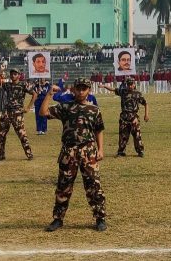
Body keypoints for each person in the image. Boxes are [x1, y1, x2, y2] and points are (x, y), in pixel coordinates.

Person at [41, 78, 107, 232]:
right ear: (73, 89)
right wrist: (49, 94)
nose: (81, 91)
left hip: (88, 151)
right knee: (63, 186)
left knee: (94, 185)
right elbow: (43, 112)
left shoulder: (94, 110)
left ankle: (100, 218)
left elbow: (99, 130)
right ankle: (58, 219)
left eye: (84, 88)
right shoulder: (65, 107)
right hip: (69, 151)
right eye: (79, 88)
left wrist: (101, 149)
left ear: (89, 90)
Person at [0, 69, 35, 161]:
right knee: (1, 135)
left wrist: (28, 108)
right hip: (6, 112)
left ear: (19, 75)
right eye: (11, 74)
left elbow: (35, 94)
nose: (13, 76)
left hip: (17, 112)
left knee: (22, 134)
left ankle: (29, 154)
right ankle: (1, 155)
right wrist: (0, 70)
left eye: (15, 74)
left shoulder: (23, 85)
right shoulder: (7, 85)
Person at [114, 78, 149, 157]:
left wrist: (146, 115)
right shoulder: (123, 92)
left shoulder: (137, 94)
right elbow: (113, 89)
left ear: (134, 84)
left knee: (137, 135)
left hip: (134, 117)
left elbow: (145, 103)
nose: (130, 86)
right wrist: (104, 86)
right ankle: (121, 152)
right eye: (128, 84)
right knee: (123, 135)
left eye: (131, 84)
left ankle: (140, 151)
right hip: (124, 117)